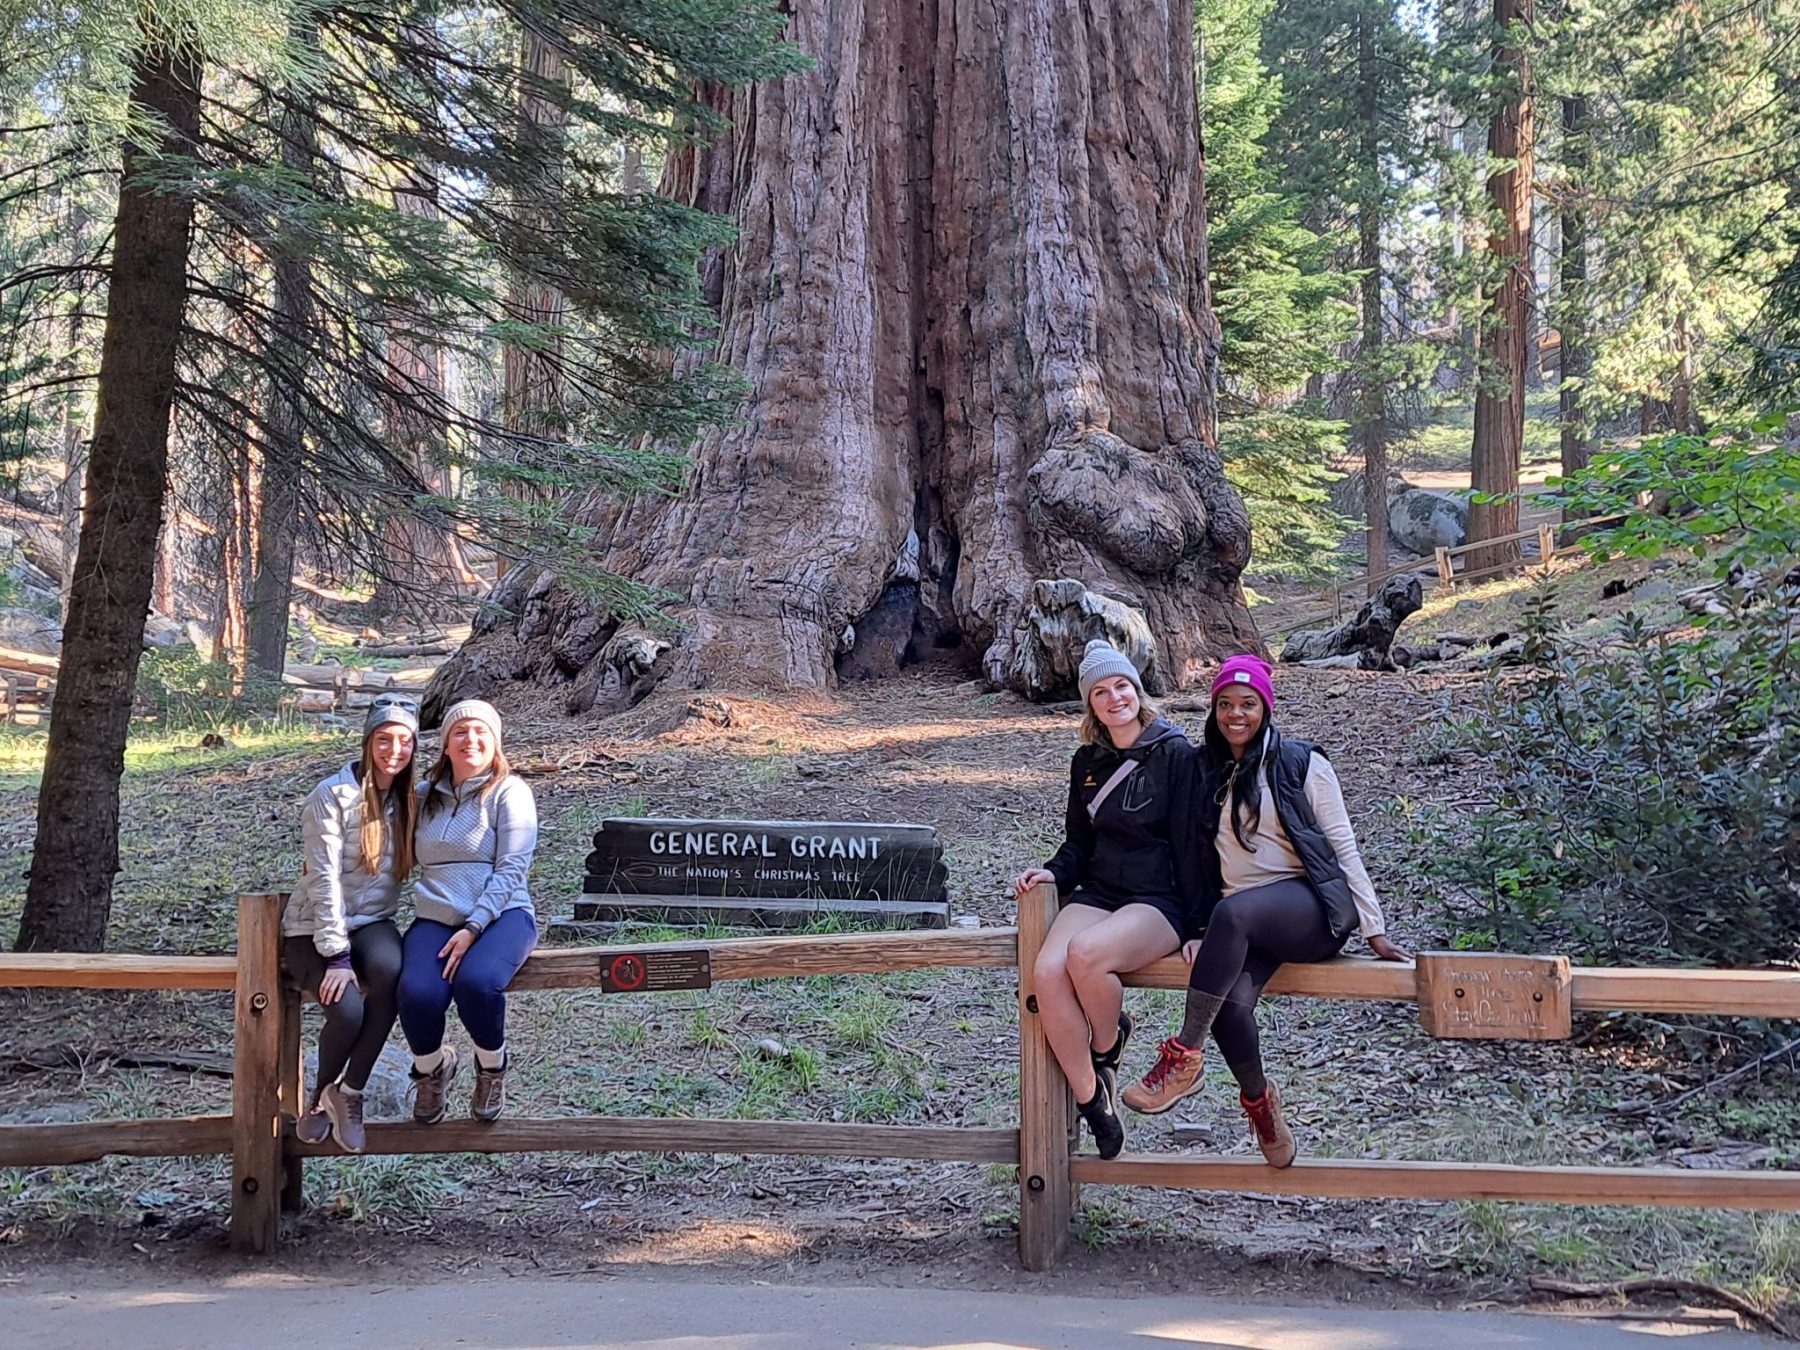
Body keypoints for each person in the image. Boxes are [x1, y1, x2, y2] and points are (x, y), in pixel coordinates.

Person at [1121, 653, 1410, 1166]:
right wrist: (1195, 926)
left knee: (1234, 917)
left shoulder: (1300, 762)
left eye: (1248, 704)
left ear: (1266, 708)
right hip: (1243, 921)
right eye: (1226, 704)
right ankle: (1262, 1108)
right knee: (1231, 1007)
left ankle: (1184, 1055)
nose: (1237, 715)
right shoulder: (1205, 769)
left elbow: (1343, 847)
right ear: (1213, 710)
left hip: (1308, 912)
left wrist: (1374, 929)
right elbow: (1189, 855)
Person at [1013, 639, 1203, 1161]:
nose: (1114, 697)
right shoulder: (1087, 762)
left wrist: (1199, 926)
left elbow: (1194, 844)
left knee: (1085, 955)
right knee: (1047, 972)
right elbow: (1079, 842)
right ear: (1090, 705)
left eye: (1122, 685)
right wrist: (1050, 872)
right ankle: (1093, 1098)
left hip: (1157, 899)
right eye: (1101, 691)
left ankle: (1106, 1043)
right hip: (1099, 891)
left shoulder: (1177, 754)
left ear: (1138, 692)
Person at [284, 696, 419, 1153]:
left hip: (372, 921)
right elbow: (322, 879)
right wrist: (337, 957)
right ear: (367, 743)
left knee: (390, 973)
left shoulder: (409, 799)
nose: (394, 750)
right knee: (347, 1009)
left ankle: (350, 1092)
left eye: (404, 741)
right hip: (312, 927)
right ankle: (319, 1098)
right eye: (384, 740)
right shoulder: (331, 796)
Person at [397, 699, 539, 1124]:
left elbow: (513, 866)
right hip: (437, 916)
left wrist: (475, 927)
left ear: (495, 743)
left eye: (481, 732)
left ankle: (491, 1067)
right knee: (417, 993)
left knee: (477, 983)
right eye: (460, 732)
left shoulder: (510, 792)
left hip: (503, 914)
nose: (470, 739)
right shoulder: (422, 798)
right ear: (444, 744)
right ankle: (431, 1071)